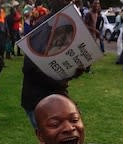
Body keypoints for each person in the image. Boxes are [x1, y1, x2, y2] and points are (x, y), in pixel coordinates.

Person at [20, 0, 83, 129]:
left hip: (55, 96)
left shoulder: (69, 24)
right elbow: (29, 69)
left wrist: (74, 71)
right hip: (38, 99)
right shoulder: (43, 26)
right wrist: (60, 82)